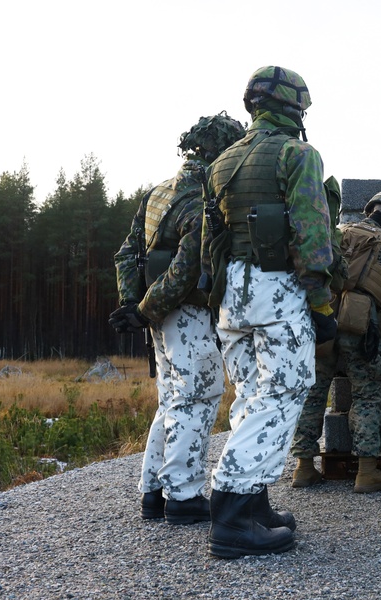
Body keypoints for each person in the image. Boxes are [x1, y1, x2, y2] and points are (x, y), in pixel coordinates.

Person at [201, 66, 336, 559]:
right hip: (276, 286)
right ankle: (234, 515)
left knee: (253, 395)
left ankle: (254, 504)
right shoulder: (298, 154)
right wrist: (320, 303)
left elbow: (208, 238)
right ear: (294, 106)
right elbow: (312, 233)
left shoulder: (222, 161)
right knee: (285, 390)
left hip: (230, 292)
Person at [110, 112, 245, 525]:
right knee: (199, 396)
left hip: (159, 319)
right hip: (186, 314)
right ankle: (184, 496)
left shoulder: (158, 192)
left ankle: (154, 490)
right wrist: (145, 309)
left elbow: (127, 253)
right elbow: (187, 269)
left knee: (170, 400)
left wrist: (134, 307)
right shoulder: (202, 198)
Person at [290, 190, 381, 493]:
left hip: (321, 319)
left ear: (371, 210)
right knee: (367, 395)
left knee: (313, 392)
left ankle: (303, 469)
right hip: (362, 327)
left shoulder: (335, 234)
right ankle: (366, 472)